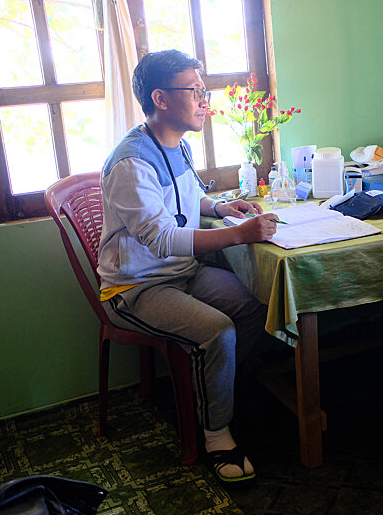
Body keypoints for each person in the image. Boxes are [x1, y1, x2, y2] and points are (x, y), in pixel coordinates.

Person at [97, 49, 280, 484]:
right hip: (135, 288)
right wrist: (240, 233)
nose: (204, 100)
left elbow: (184, 203)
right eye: (194, 91)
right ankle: (216, 434)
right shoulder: (132, 161)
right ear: (160, 98)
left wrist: (221, 206)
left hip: (183, 273)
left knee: (256, 305)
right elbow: (160, 237)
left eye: (204, 91)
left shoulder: (176, 145)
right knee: (218, 329)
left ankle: (218, 392)